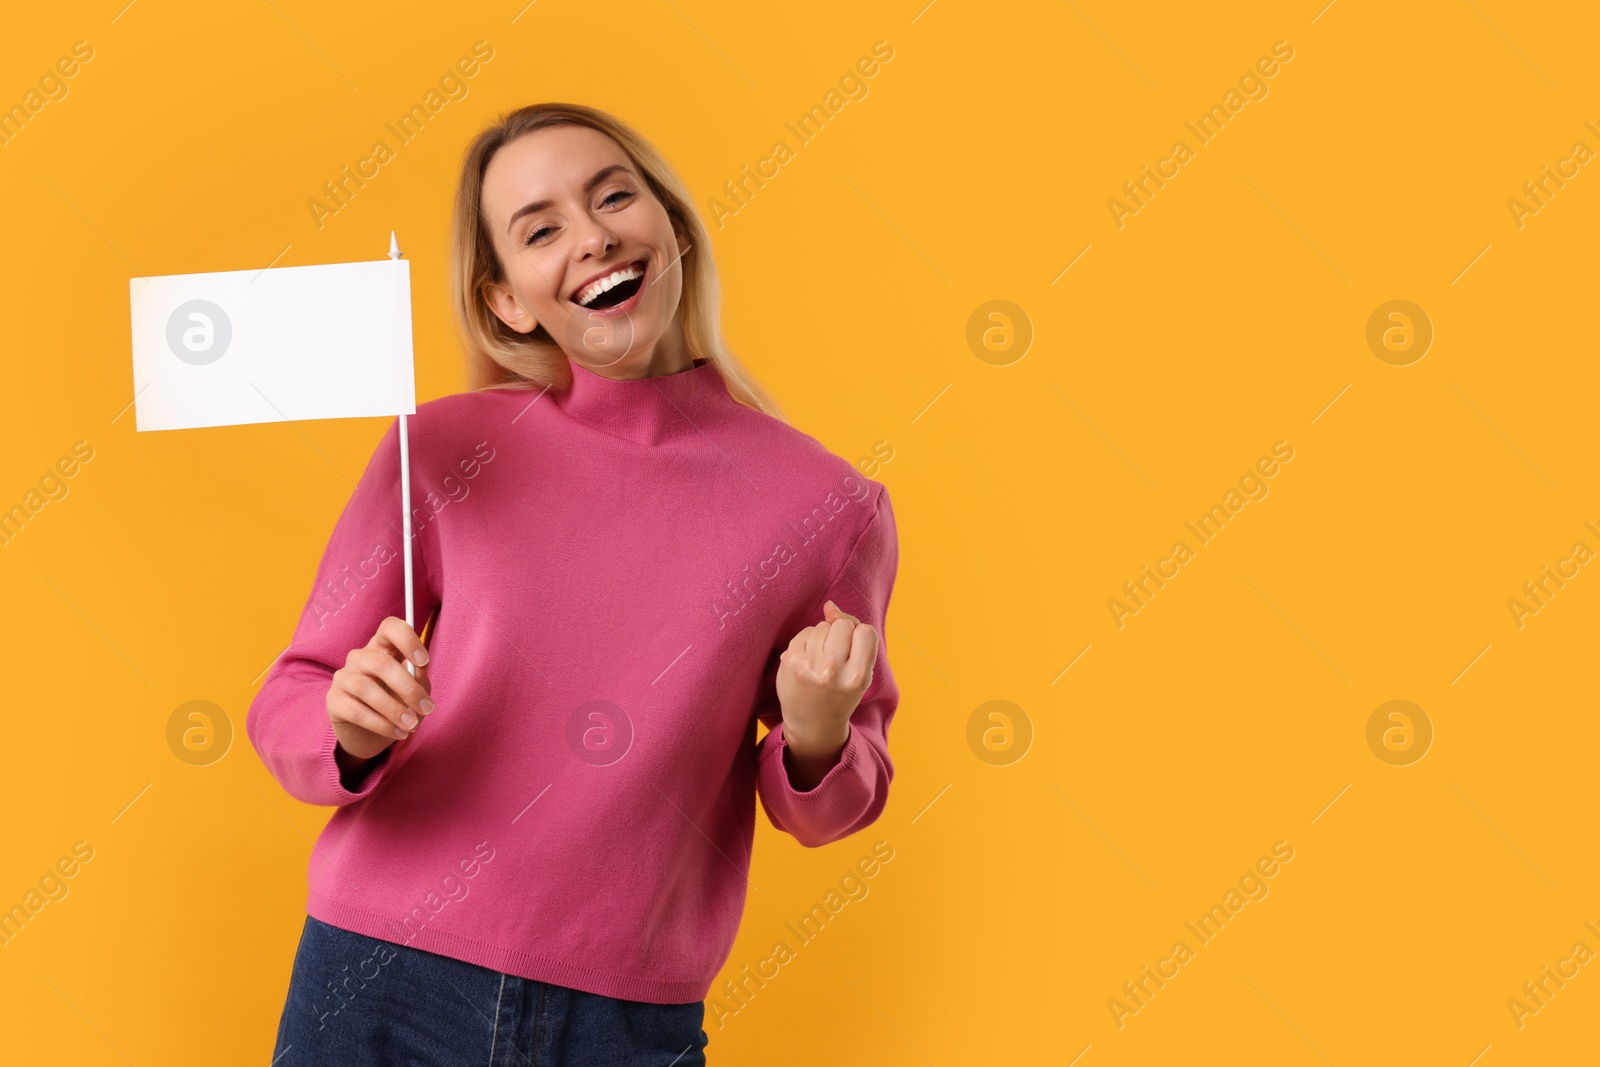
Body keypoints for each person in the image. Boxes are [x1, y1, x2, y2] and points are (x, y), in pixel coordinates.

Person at [249, 102, 904, 1065]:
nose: (592, 236)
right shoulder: (438, 447)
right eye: (540, 228)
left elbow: (835, 800)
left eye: (612, 197)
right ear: (509, 299)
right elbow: (290, 697)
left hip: (624, 1020)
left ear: (672, 227)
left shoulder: (828, 505)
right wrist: (346, 726)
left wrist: (816, 729)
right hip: (378, 977)